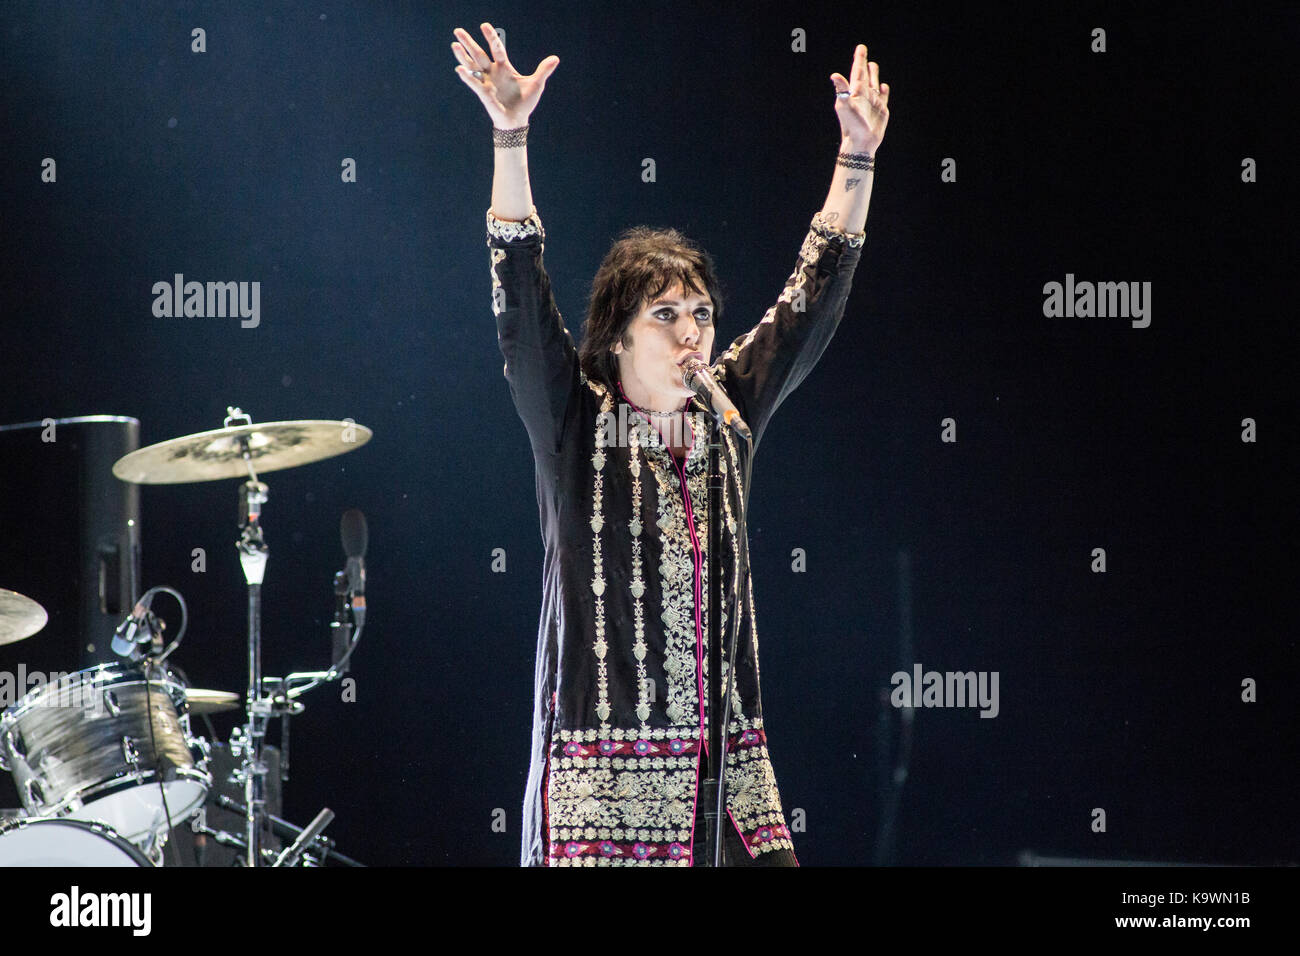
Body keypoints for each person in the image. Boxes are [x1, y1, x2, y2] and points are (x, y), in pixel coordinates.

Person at [452, 21, 889, 866]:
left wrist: (857, 160)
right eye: (665, 315)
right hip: (604, 783)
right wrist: (510, 135)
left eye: (701, 314)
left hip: (731, 776)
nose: (691, 332)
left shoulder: (727, 411)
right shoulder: (573, 421)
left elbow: (809, 303)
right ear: (618, 335)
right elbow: (520, 301)